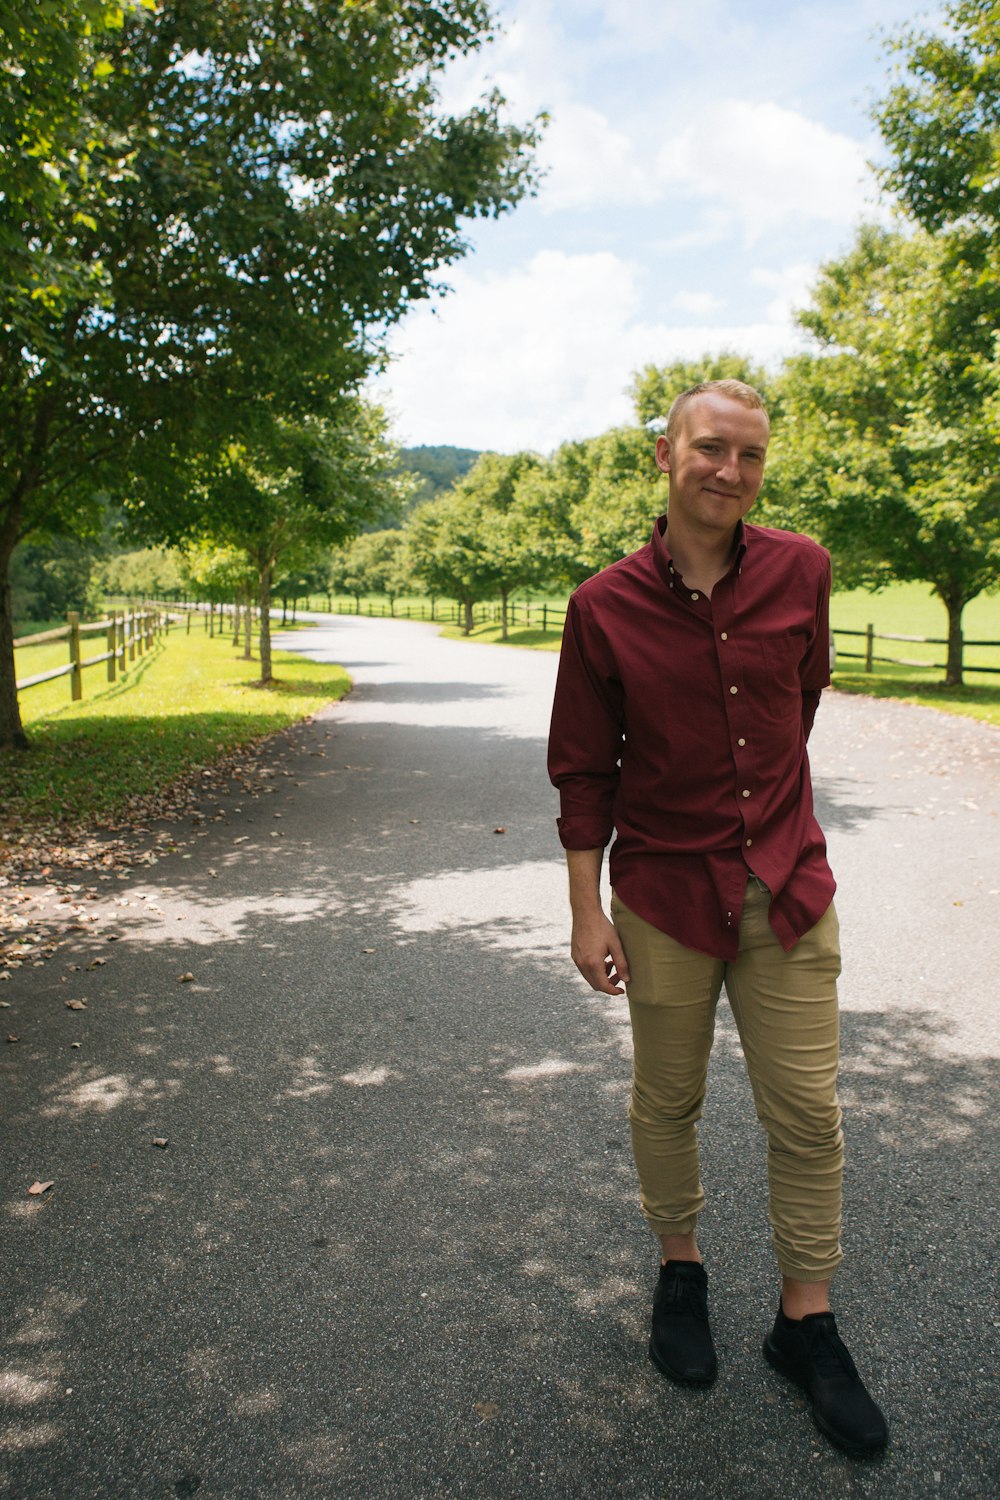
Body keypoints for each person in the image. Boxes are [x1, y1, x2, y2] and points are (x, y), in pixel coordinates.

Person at [547, 379, 888, 1459]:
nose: (728, 471)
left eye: (747, 455)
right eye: (708, 449)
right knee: (669, 1097)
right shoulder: (602, 606)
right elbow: (581, 771)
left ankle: (805, 1321)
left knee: (806, 1113)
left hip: (786, 886)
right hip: (660, 898)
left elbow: (802, 702)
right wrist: (583, 911)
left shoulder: (803, 570)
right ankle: (680, 1272)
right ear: (664, 454)